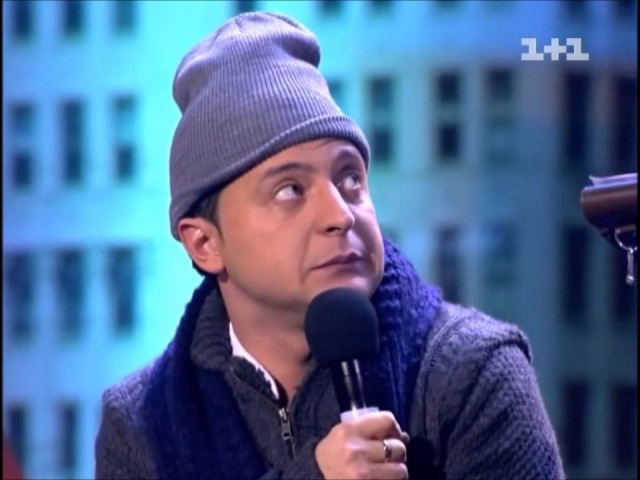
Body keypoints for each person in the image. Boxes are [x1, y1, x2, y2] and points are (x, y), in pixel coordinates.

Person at [95, 11, 564, 480]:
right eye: (290, 190)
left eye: (350, 179)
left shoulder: (472, 374)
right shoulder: (141, 426)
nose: (340, 215)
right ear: (204, 243)